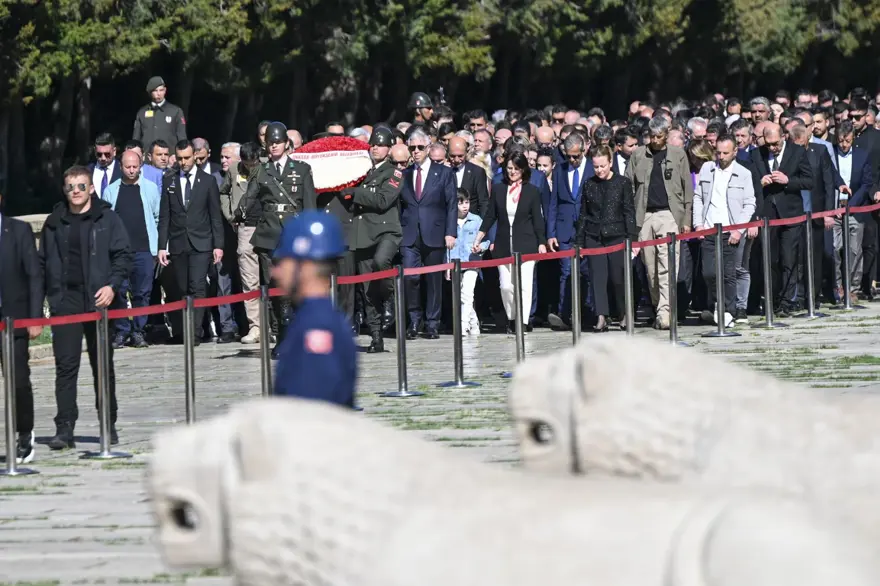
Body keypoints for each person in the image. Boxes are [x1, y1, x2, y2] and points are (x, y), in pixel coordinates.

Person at [40, 166, 132, 450]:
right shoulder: (54, 223)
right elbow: (43, 263)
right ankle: (64, 428)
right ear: (64, 190)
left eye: (81, 186)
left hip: (99, 299)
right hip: (65, 302)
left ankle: (108, 424)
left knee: (102, 365)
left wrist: (112, 286)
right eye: (70, 187)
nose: (76, 191)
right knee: (65, 367)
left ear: (91, 188)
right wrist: (45, 301)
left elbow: (122, 255)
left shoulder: (108, 219)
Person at [238, 121, 317, 356]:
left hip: (294, 233)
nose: (274, 146)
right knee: (275, 288)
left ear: (286, 144)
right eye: (270, 143)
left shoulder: (301, 169)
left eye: (278, 142)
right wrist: (237, 213)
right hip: (269, 235)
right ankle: (281, 336)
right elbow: (249, 199)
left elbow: (309, 206)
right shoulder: (262, 170)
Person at [272, 211, 356, 408]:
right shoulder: (313, 317)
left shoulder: (317, 326)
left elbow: (314, 414)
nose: (275, 271)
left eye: (283, 262)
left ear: (306, 267)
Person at [157, 140, 225, 343]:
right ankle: (188, 328)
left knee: (198, 287)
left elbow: (215, 215)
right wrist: (162, 245)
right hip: (178, 243)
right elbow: (165, 216)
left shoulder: (207, 181)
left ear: (195, 156)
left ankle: (194, 333)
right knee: (182, 288)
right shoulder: (169, 180)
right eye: (179, 158)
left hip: (201, 242)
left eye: (187, 158)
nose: (183, 162)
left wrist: (218, 245)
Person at [473, 151, 547, 333]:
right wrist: (479, 237)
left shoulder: (532, 191)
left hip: (527, 243)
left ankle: (522, 321)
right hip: (503, 244)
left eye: (516, 169)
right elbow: (491, 215)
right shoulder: (499, 189)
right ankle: (512, 317)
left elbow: (538, 219)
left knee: (525, 285)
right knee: (506, 286)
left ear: (523, 170)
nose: (512, 172)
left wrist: (542, 242)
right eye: (509, 168)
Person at [347, 126, 405, 353]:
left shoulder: (394, 173)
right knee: (368, 290)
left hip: (385, 232)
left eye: (381, 145)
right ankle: (376, 336)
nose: (376, 148)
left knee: (382, 263)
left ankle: (389, 297)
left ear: (389, 149)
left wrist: (355, 192)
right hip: (362, 234)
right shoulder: (363, 172)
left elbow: (382, 200)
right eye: (373, 144)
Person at [693, 134, 756, 328]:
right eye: (718, 152)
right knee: (709, 273)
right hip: (710, 228)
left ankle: (729, 311)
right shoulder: (707, 169)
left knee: (729, 273)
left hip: (731, 231)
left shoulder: (744, 173)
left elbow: (749, 203)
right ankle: (716, 305)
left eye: (725, 153)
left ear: (735, 151)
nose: (721, 156)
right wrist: (698, 224)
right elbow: (698, 197)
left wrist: (739, 230)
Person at [400, 127, 457, 340]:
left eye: (420, 147)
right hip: (409, 234)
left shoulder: (443, 173)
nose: (415, 151)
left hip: (435, 232)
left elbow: (452, 204)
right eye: (412, 148)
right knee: (410, 277)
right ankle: (415, 320)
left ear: (428, 148)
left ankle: (433, 323)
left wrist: (451, 232)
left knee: (434, 280)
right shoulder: (405, 175)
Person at [101, 150, 161, 349]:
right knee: (118, 292)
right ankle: (121, 330)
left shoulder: (151, 189)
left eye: (135, 167)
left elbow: (158, 217)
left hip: (144, 250)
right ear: (121, 166)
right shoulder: (111, 191)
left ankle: (138, 331)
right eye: (128, 167)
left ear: (141, 166)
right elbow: (105, 222)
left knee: (142, 293)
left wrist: (159, 248)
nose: (132, 170)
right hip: (119, 253)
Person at [574, 145, 637, 332]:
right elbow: (584, 215)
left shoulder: (622, 183)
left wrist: (631, 238)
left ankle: (623, 313)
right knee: (598, 278)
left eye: (603, 166)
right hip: (594, 236)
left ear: (610, 163)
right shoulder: (589, 184)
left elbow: (629, 212)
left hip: (617, 236)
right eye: (596, 167)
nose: (600, 170)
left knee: (618, 278)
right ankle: (601, 316)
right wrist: (579, 242)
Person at [0, 191, 43, 463]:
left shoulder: (18, 230)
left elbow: (34, 275)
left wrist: (35, 317)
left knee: (17, 380)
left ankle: (24, 433)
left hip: (14, 318)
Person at [447, 188, 490, 335]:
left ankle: (462, 326)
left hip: (472, 262)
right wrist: (447, 265)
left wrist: (480, 248)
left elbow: (486, 240)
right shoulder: (449, 221)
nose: (465, 206)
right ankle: (474, 322)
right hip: (455, 262)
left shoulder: (476, 220)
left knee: (467, 293)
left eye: (467, 202)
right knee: (459, 295)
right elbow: (446, 246)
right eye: (461, 203)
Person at [132, 76, 187, 153]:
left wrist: (178, 155)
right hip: (147, 158)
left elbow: (182, 138)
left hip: (170, 158)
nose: (158, 94)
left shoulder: (176, 111)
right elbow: (136, 139)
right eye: (155, 91)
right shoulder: (142, 112)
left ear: (165, 90)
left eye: (161, 90)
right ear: (150, 92)